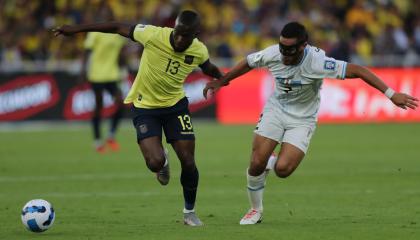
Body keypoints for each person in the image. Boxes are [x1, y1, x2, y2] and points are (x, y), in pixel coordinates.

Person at [203, 22, 418, 225]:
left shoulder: (318, 62)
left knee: (283, 170)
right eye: (282, 47)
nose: (284, 54)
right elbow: (248, 63)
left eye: (290, 49)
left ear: (303, 46)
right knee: (256, 163)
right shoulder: (272, 54)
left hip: (303, 119)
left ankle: (273, 161)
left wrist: (391, 94)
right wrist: (223, 80)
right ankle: (255, 210)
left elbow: (359, 70)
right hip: (275, 110)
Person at [53, 10, 223, 226]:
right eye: (178, 33)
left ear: (195, 34)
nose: (180, 39)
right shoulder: (153, 35)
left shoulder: (198, 49)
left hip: (176, 107)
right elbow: (116, 26)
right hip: (145, 107)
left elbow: (208, 67)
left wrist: (223, 78)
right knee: (154, 162)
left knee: (189, 162)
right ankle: (163, 161)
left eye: (186, 36)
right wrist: (75, 30)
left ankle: (190, 213)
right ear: (174, 28)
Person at [80, 5, 126, 153]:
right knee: (99, 107)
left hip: (112, 74)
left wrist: (123, 68)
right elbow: (86, 52)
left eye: (108, 13)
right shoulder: (95, 33)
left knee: (120, 102)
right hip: (97, 75)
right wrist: (82, 71)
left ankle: (111, 135)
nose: (105, 16)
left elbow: (120, 54)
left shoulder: (117, 33)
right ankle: (98, 141)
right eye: (103, 13)